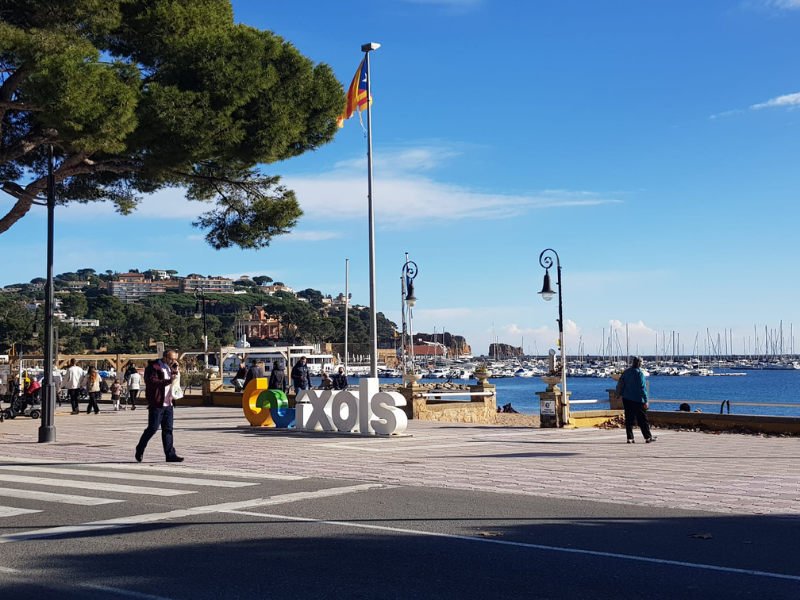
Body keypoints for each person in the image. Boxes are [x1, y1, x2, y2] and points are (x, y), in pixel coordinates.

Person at [135, 349, 184, 463]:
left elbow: (174, 382)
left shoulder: (170, 368)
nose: (173, 361)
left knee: (168, 430)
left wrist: (175, 372)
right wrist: (168, 380)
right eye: (171, 359)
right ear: (165, 357)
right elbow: (151, 383)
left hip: (168, 403)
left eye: (174, 359)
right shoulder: (153, 367)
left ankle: (170, 454)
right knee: (153, 428)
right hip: (157, 403)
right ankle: (140, 447)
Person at [619, 357, 656, 444]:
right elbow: (642, 388)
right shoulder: (639, 373)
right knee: (642, 419)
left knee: (629, 418)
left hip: (626, 398)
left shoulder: (627, 372)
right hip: (638, 399)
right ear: (640, 364)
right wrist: (646, 400)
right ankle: (648, 437)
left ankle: (630, 438)